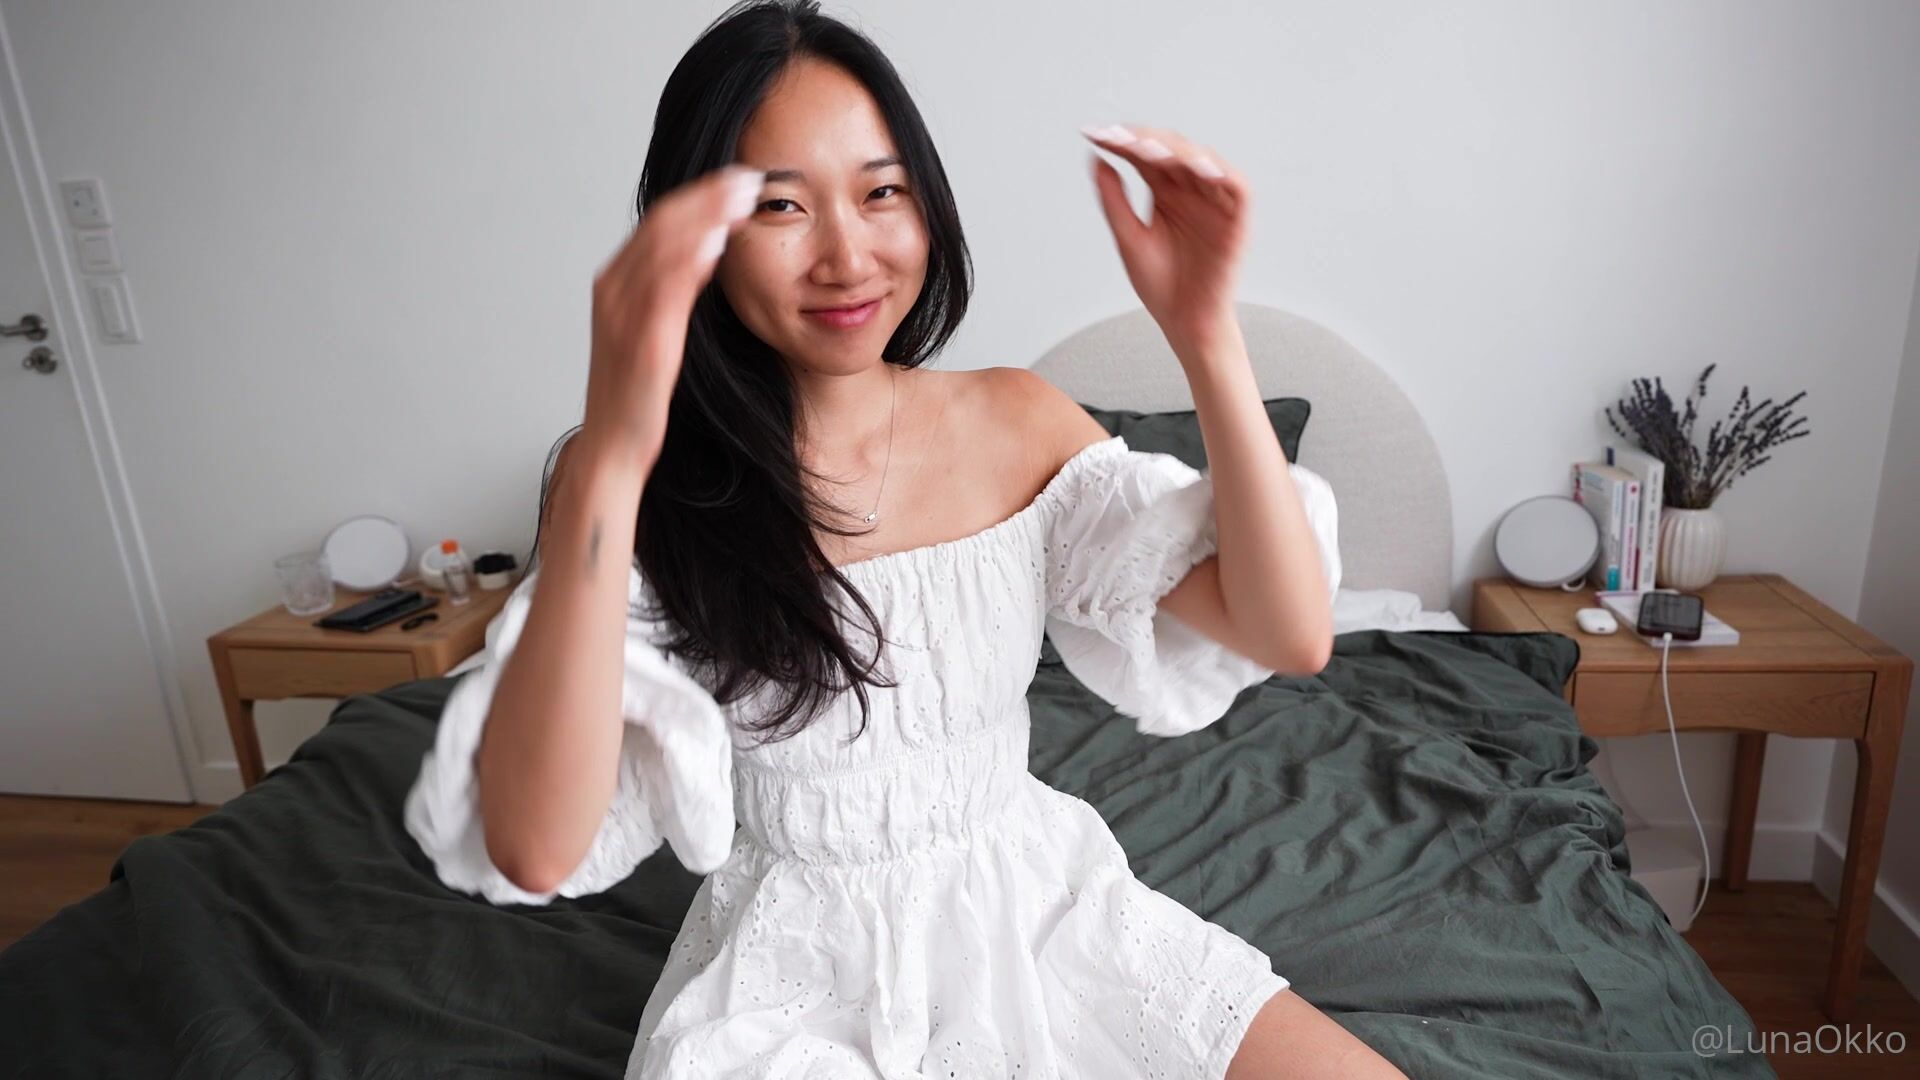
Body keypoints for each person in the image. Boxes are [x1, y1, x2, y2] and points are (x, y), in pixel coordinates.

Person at [405, 2, 1406, 1076]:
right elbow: (534, 844)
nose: (847, 257)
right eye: (781, 206)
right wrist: (613, 451)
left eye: (881, 192)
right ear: (696, 233)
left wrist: (1204, 332)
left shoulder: (1014, 421)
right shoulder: (632, 485)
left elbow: (1289, 631)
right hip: (802, 978)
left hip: (1042, 910)